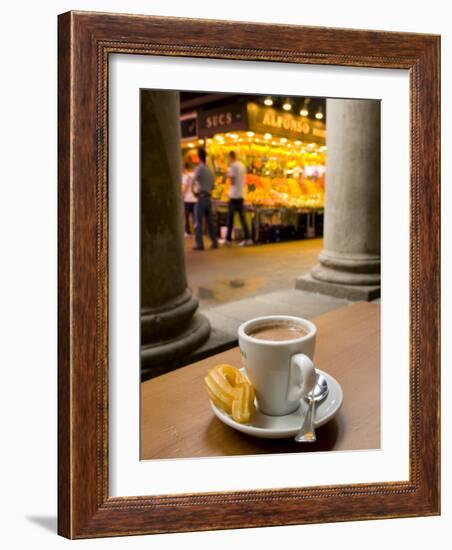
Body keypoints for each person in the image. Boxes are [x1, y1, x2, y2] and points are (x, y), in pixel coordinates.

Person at [223, 151, 252, 246]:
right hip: (241, 194)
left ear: (231, 157)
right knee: (242, 217)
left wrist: (226, 176)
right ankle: (248, 238)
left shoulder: (233, 166)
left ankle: (228, 239)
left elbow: (232, 181)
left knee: (230, 217)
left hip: (233, 195)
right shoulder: (242, 166)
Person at [192, 148, 218, 250]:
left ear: (199, 157)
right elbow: (213, 185)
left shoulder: (199, 168)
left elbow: (193, 181)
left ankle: (200, 244)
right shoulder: (209, 170)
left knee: (198, 221)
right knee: (210, 222)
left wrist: (194, 192)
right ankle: (214, 241)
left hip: (201, 197)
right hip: (208, 198)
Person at [181, 162, 196, 237]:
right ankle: (196, 231)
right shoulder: (194, 175)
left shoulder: (185, 176)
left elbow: (185, 187)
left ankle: (187, 231)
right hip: (195, 198)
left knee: (186, 216)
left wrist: (182, 195)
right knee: (194, 216)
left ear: (184, 168)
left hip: (187, 198)